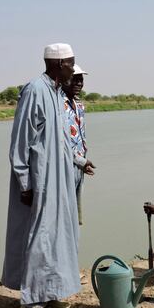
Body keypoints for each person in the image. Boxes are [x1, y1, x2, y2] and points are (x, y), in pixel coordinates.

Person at [2, 43, 80, 308]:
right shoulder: (35, 90)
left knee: (57, 237)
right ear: (58, 64)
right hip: (41, 181)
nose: (73, 67)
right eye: (70, 62)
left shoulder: (58, 94)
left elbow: (60, 141)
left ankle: (50, 293)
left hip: (59, 180)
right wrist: (26, 184)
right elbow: (20, 142)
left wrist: (78, 160)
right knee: (41, 238)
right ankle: (34, 300)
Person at [62, 64, 95, 226]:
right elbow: (61, 143)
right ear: (63, 79)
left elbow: (80, 137)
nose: (78, 83)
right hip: (64, 165)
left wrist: (83, 163)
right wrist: (81, 161)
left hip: (78, 166)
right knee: (64, 212)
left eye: (80, 80)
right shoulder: (58, 105)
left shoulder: (79, 105)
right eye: (74, 79)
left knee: (75, 212)